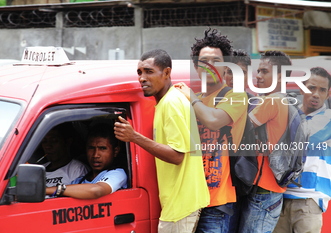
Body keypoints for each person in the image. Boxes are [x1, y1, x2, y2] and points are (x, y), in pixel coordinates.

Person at [114, 49, 210, 233]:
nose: (142, 78)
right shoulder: (166, 102)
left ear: (166, 73)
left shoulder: (171, 103)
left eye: (149, 72)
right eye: (139, 73)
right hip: (179, 203)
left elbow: (177, 156)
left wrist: (134, 137)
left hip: (180, 206)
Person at [175, 28, 248, 233]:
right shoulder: (193, 98)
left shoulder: (236, 96)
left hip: (218, 203)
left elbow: (214, 121)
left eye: (217, 60)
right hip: (192, 199)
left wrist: (191, 97)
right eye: (204, 60)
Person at [273, 67, 331, 233]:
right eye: (311, 88)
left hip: (309, 201)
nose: (316, 94)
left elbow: (302, 135)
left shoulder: (328, 118)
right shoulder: (291, 115)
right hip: (281, 199)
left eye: (322, 90)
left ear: (327, 93)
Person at [238, 50, 292, 233]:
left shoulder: (272, 102)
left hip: (263, 192)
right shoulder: (285, 100)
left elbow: (239, 129)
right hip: (272, 190)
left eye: (264, 71)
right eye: (258, 71)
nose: (258, 76)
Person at [46, 123, 127, 199]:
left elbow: (96, 190)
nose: (95, 155)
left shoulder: (118, 173)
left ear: (115, 151)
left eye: (102, 148)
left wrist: (45, 190)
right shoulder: (79, 181)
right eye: (91, 148)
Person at [41, 123, 88, 187]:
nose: (48, 146)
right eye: (44, 141)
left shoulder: (77, 169)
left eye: (54, 141)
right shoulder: (40, 169)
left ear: (67, 142)